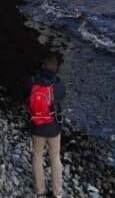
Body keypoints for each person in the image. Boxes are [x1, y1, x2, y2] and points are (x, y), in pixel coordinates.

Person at [28, 54, 65, 198]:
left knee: (37, 155)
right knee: (55, 157)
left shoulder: (32, 81)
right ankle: (57, 192)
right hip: (53, 127)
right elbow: (61, 97)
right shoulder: (58, 85)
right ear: (56, 69)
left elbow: (27, 98)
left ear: (42, 66)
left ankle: (40, 191)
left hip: (36, 125)